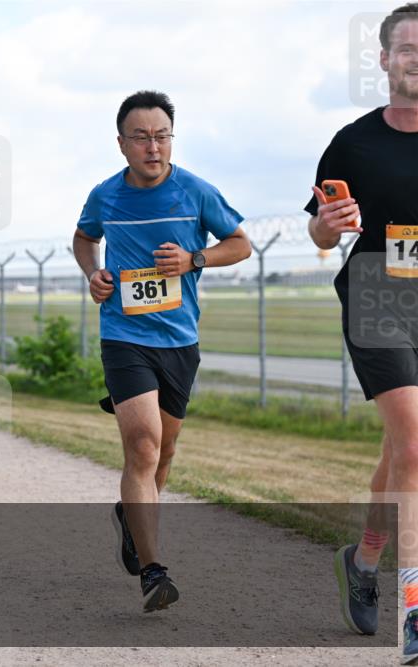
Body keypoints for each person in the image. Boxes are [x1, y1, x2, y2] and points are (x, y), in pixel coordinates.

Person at [72, 90, 251, 613]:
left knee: (164, 454)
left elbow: (239, 244)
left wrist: (195, 257)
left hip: (180, 341)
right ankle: (154, 571)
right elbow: (84, 240)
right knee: (144, 445)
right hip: (124, 336)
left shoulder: (195, 191)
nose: (154, 147)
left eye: (162, 136)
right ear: (122, 143)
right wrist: (94, 274)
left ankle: (131, 518)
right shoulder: (105, 196)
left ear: (172, 139)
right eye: (142, 137)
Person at [305, 4, 418, 661]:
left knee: (404, 449)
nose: (416, 61)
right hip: (377, 287)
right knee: (414, 443)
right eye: (406, 49)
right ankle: (413, 611)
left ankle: (364, 558)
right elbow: (320, 230)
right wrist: (330, 223)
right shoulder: (352, 142)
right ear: (383, 59)